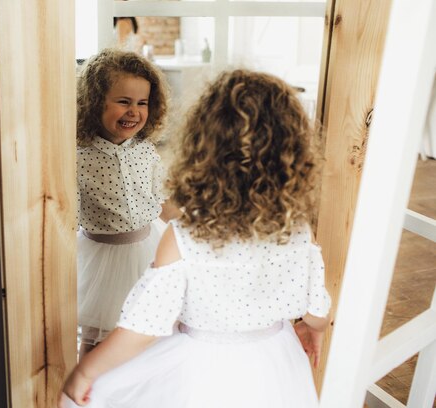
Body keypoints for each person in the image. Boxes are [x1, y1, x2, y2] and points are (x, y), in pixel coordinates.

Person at [61, 69, 332, 407]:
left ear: (202, 149)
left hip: (202, 370)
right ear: (293, 155)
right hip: (275, 361)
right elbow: (316, 307)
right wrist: (314, 329)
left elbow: (142, 327)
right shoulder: (295, 230)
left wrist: (85, 371)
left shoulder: (184, 237)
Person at [76, 48, 180, 358]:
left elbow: (164, 201)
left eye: (142, 103)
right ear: (95, 103)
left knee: (150, 330)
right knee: (99, 336)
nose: (133, 111)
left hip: (147, 248)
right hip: (102, 258)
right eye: (123, 102)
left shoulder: (145, 151)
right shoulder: (79, 156)